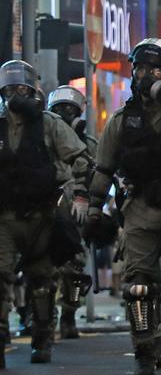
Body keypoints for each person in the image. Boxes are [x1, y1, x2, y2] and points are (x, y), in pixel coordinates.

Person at [88, 39, 161, 375]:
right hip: (139, 209)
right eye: (139, 69)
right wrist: (93, 208)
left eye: (154, 70)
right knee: (138, 285)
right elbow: (103, 167)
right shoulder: (122, 121)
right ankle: (144, 353)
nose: (145, 76)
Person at [0, 61, 89, 368]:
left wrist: (78, 194)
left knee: (42, 281)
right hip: (5, 217)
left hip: (42, 215)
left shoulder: (49, 123)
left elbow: (80, 156)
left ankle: (42, 337)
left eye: (21, 88)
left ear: (32, 90)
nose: (15, 94)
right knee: (1, 277)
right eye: (9, 88)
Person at [47, 86, 96, 340]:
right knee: (43, 268)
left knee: (74, 267)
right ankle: (39, 317)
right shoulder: (42, 138)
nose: (64, 115)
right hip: (46, 209)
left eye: (69, 110)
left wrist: (94, 206)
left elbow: (100, 175)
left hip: (77, 213)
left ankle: (68, 314)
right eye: (58, 110)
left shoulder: (87, 145)